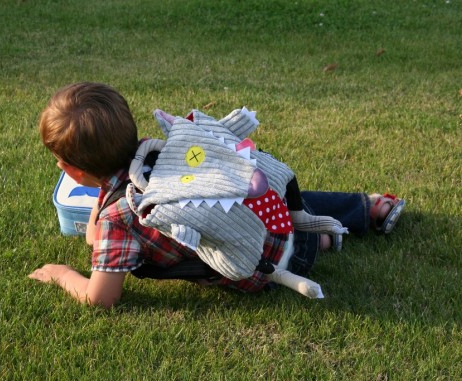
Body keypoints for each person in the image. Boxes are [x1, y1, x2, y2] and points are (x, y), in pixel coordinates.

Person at [29, 82, 405, 308]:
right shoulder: (158, 152)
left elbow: (101, 297)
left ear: (73, 171)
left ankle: (319, 241)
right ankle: (361, 209)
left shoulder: (120, 220)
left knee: (255, 234)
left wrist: (62, 274)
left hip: (272, 268)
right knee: (244, 192)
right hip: (282, 214)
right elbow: (98, 232)